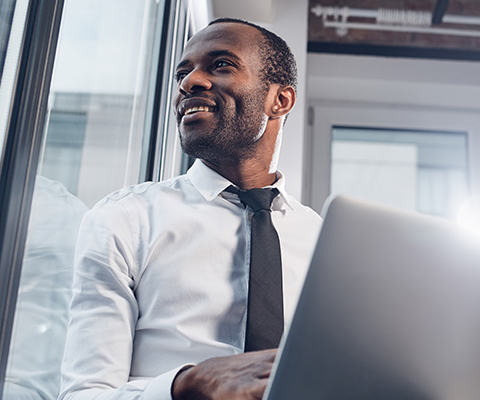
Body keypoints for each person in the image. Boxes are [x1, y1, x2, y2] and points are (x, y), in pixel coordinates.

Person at [58, 18, 322, 400]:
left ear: (279, 100)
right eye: (183, 72)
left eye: (221, 65)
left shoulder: (319, 238)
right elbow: (83, 395)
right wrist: (185, 386)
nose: (189, 82)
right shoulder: (125, 219)